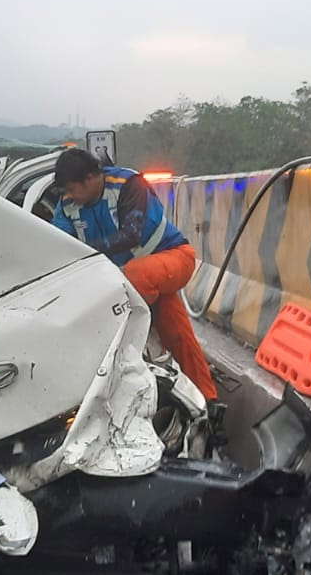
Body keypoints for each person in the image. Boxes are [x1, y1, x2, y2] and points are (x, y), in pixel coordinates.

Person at [50, 148, 217, 401]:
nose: (70, 196)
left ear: (91, 178)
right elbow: (58, 244)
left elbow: (132, 234)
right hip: (137, 283)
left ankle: (140, 337)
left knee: (133, 278)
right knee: (180, 336)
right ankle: (209, 400)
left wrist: (89, 254)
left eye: (73, 189)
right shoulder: (68, 205)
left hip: (173, 258)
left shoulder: (129, 185)